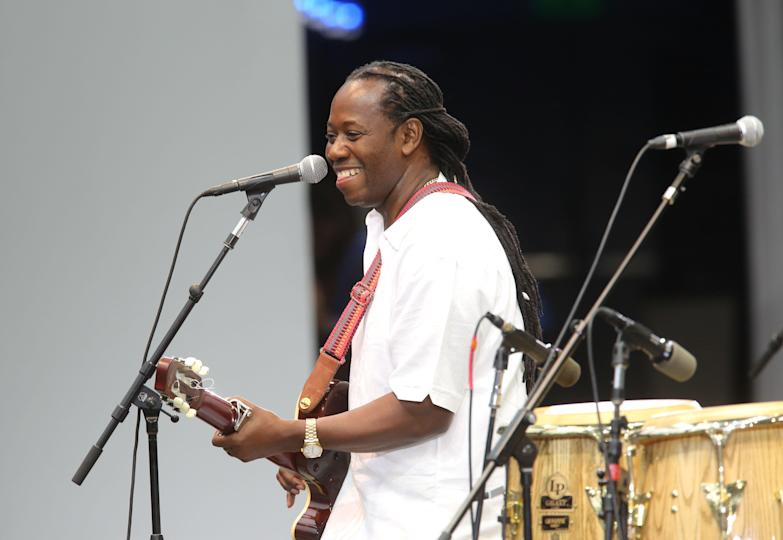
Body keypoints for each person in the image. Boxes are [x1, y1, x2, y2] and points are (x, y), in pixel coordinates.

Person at [212, 61, 542, 539]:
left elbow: (422, 408)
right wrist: (312, 443)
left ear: (409, 136)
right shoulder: (395, 230)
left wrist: (296, 434)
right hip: (387, 512)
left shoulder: (441, 237)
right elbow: (400, 381)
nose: (334, 152)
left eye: (352, 133)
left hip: (436, 518)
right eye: (329, 136)